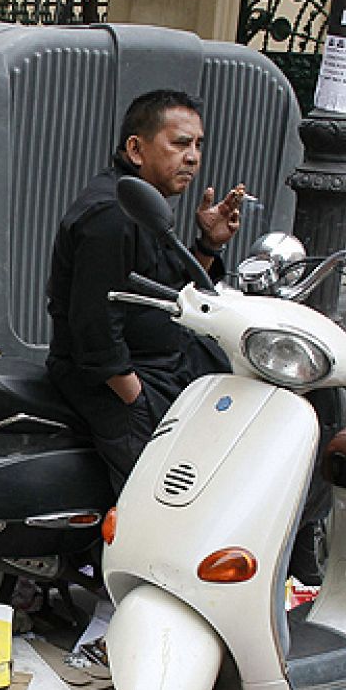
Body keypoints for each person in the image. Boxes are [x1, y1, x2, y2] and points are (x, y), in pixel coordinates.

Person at [45, 89, 246, 494]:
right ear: (136, 149)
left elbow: (167, 293)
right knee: (172, 495)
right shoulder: (112, 214)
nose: (192, 157)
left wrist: (208, 245)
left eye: (198, 145)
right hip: (122, 384)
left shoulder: (141, 205)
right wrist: (135, 399)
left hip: (165, 364)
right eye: (179, 143)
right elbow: (96, 325)